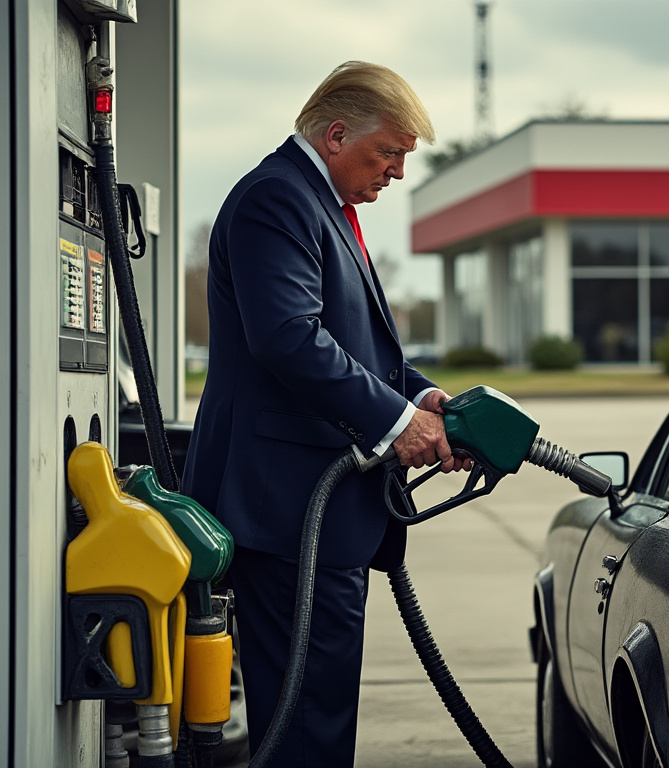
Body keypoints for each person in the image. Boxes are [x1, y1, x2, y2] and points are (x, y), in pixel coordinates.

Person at [181, 61, 464, 767]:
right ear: (337, 134)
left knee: (319, 712)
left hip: (320, 508)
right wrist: (400, 426)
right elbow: (289, 339)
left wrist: (421, 398)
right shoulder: (277, 198)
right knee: (307, 727)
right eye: (389, 152)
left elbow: (351, 345)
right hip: (290, 511)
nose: (397, 172)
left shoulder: (321, 205)